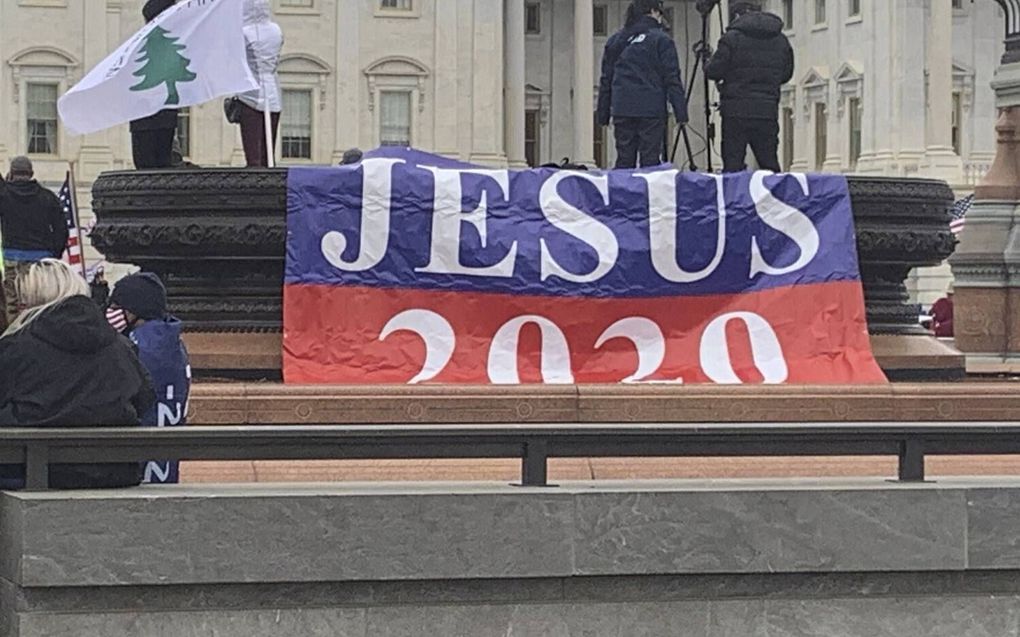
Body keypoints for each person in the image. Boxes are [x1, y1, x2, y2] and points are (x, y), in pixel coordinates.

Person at [0, 259, 154, 489]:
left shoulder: (15, 347)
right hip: (114, 470)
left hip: (29, 471)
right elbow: (145, 397)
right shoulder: (119, 346)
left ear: (29, 301)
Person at [107, 273, 190, 484]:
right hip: (165, 463)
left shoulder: (136, 350)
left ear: (134, 311)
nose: (110, 312)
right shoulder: (173, 344)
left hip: (138, 465)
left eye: (116, 306)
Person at [597, 0, 688, 169]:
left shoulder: (616, 41)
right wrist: (680, 112)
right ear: (654, 11)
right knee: (650, 159)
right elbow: (672, 78)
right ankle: (649, 194)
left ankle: (622, 193)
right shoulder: (662, 40)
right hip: (651, 107)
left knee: (624, 159)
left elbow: (606, 80)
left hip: (622, 107)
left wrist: (603, 112)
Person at [706, 0, 794, 173]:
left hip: (735, 110)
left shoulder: (731, 38)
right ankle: (774, 197)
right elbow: (786, 74)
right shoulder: (781, 40)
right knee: (769, 162)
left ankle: (733, 199)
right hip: (766, 110)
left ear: (737, 16)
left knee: (733, 164)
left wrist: (707, 62)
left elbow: (714, 71)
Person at [0, 156, 69, 326]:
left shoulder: (4, 195)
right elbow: (62, 230)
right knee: (38, 302)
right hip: (41, 258)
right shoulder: (47, 197)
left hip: (12, 257)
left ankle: (13, 338)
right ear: (31, 173)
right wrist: (54, 254)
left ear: (11, 173)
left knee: (13, 304)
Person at [130, 0, 179, 169]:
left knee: (151, 168)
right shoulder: (166, 44)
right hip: (152, 117)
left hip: (155, 117)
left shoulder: (138, 45)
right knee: (156, 167)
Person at [235, 0, 283, 167]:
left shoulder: (244, 32)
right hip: (274, 93)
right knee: (269, 151)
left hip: (251, 94)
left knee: (253, 154)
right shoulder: (276, 30)